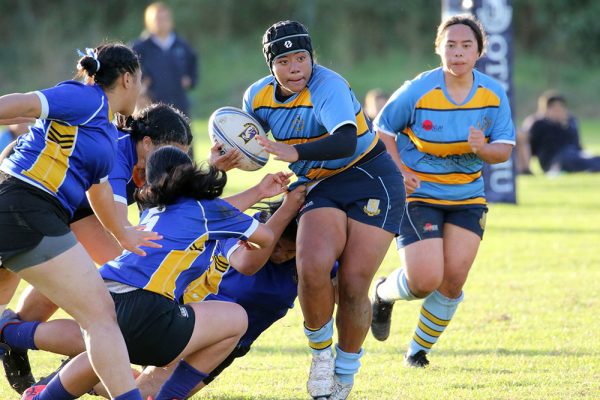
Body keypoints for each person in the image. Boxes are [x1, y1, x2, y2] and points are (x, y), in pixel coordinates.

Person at [17, 146, 291, 400]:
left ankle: (36, 383)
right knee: (235, 318)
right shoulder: (205, 211)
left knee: (102, 351)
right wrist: (262, 225)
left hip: (104, 294)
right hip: (146, 308)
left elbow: (214, 212)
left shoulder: (154, 210)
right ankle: (170, 396)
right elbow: (265, 237)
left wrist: (255, 190)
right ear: (188, 174)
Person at [244, 20, 405, 400]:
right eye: (284, 60)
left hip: (370, 175)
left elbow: (345, 140)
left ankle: (345, 374)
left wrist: (295, 152)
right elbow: (249, 145)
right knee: (311, 265)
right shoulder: (257, 97)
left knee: (352, 286)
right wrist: (227, 157)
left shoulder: (327, 84)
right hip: (320, 183)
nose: (296, 67)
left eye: (302, 57)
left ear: (311, 58)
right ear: (271, 66)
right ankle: (320, 356)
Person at [0, 43, 162, 400]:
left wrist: (124, 234)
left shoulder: (102, 129)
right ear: (126, 78)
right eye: (140, 81)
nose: (140, 89)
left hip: (21, 207)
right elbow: (27, 103)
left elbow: (99, 191)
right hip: (24, 204)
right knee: (101, 316)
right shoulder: (88, 99)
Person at [370, 14, 515, 368]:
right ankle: (382, 292)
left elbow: (505, 150)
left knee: (452, 281)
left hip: (467, 197)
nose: (458, 52)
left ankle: (417, 352)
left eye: (467, 46)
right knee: (424, 280)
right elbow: (383, 128)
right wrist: (399, 170)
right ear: (438, 48)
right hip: (419, 195)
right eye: (450, 45)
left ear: (479, 52)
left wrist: (482, 148)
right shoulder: (419, 89)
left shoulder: (493, 95)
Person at [132, 2, 198, 120]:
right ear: (149, 22)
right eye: (158, 18)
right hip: (151, 105)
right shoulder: (139, 47)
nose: (161, 22)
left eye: (165, 18)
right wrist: (142, 82)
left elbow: (192, 64)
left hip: (179, 104)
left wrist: (190, 80)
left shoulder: (181, 45)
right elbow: (131, 70)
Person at [517, 91, 600, 174]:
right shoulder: (538, 124)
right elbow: (528, 147)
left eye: (561, 108)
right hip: (554, 161)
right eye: (554, 108)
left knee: (592, 159)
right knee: (569, 159)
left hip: (573, 154)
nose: (558, 111)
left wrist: (563, 126)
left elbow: (577, 145)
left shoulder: (570, 121)